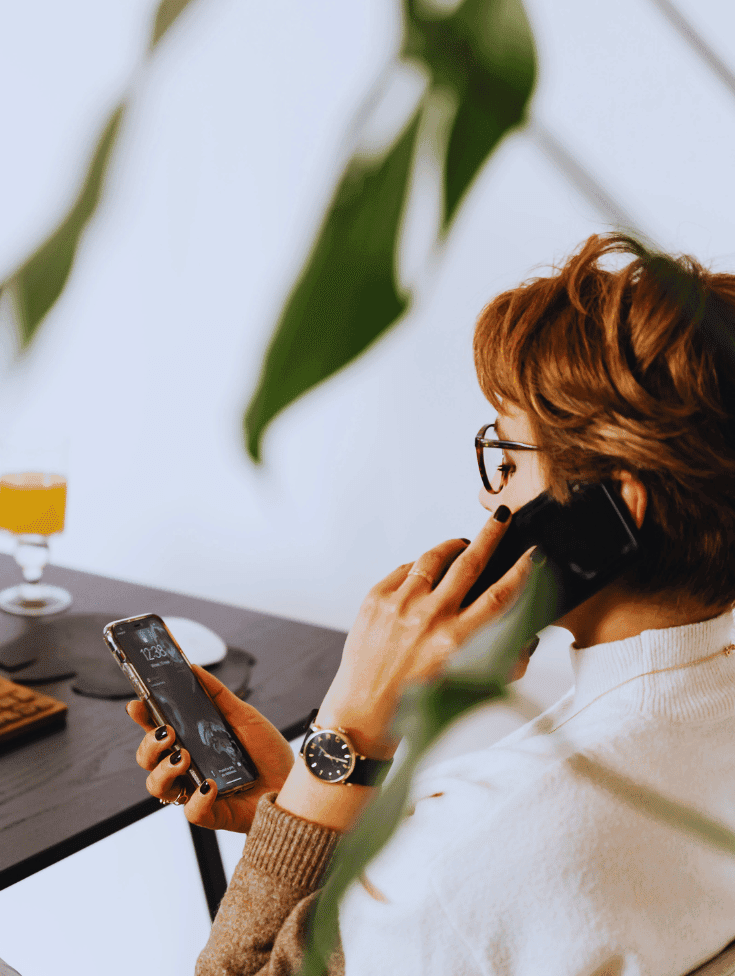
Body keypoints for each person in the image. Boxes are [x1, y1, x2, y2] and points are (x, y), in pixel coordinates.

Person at [128, 234, 735, 976]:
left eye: (510, 461)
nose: (490, 495)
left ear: (615, 511)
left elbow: (460, 888)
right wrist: (303, 802)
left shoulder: (468, 857)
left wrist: (349, 726)